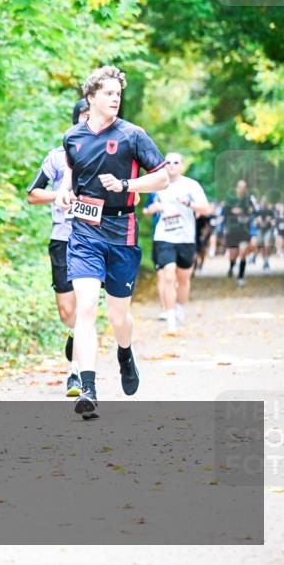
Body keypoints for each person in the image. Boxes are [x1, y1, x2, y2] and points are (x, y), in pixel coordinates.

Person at [54, 65, 169, 419]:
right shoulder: (73, 137)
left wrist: (127, 186)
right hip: (85, 234)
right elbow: (71, 176)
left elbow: (162, 178)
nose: (115, 98)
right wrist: (63, 192)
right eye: (108, 93)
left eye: (118, 93)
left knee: (119, 317)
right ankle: (87, 386)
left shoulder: (134, 135)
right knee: (86, 308)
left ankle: (124, 352)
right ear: (91, 98)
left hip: (123, 233)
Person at [26, 99, 88, 396]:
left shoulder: (110, 155)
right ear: (76, 121)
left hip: (94, 238)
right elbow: (33, 194)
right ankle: (75, 331)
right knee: (67, 310)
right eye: (86, 116)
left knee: (86, 305)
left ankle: (76, 374)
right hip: (63, 238)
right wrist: (60, 197)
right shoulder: (58, 157)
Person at [142, 153, 213, 335]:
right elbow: (146, 210)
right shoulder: (157, 185)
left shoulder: (190, 185)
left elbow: (206, 209)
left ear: (181, 166)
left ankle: (180, 310)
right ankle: (171, 319)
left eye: (176, 162)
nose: (172, 165)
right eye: (168, 162)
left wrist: (188, 203)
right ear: (164, 165)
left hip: (186, 238)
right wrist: (153, 209)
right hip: (164, 237)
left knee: (183, 279)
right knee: (167, 275)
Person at [223, 180, 257, 286]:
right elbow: (225, 211)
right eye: (240, 187)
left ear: (246, 189)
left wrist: (245, 212)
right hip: (232, 231)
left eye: (244, 187)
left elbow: (254, 212)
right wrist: (233, 210)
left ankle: (241, 276)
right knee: (233, 254)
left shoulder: (248, 200)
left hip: (244, 231)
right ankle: (231, 266)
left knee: (243, 252)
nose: (242, 189)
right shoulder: (230, 200)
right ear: (237, 188)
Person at [254, 196, 275, 270]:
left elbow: (273, 221)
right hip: (259, 230)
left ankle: (266, 261)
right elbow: (254, 222)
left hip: (268, 230)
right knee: (259, 245)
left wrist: (270, 221)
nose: (263, 203)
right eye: (262, 202)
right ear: (260, 203)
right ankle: (254, 257)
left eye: (265, 202)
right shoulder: (257, 212)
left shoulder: (270, 211)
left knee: (267, 245)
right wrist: (257, 221)